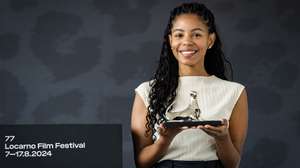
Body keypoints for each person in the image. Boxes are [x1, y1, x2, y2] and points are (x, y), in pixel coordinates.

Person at [131, 2, 248, 168]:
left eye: (197, 35)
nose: (187, 42)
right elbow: (141, 162)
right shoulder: (146, 91)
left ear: (210, 40)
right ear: (170, 40)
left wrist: (222, 138)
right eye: (179, 35)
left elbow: (232, 164)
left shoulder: (234, 92)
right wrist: (165, 139)